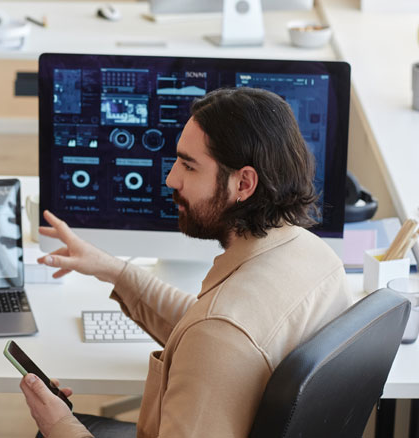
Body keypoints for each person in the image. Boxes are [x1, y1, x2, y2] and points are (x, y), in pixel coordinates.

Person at [19, 87, 352, 437]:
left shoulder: (219, 335)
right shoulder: (317, 256)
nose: (170, 179)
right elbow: (204, 331)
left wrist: (56, 422)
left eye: (189, 166)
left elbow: (215, 337)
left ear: (244, 183)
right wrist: (111, 269)